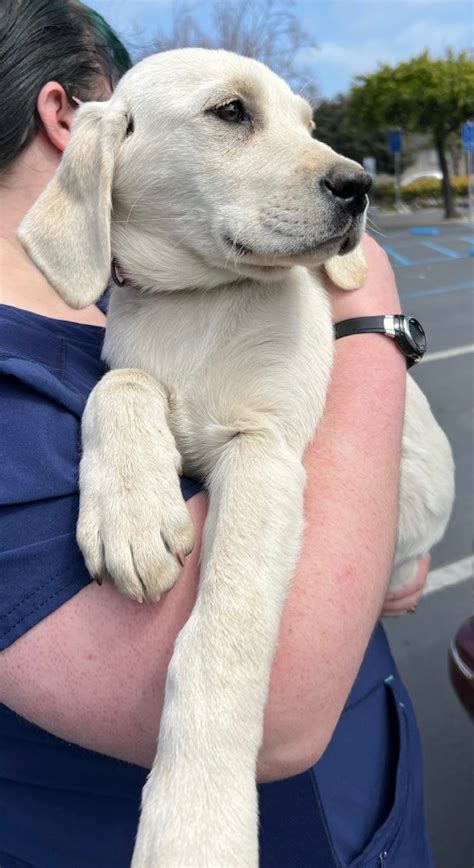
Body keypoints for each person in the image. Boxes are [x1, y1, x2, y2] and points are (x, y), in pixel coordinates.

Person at [0, 1, 433, 865]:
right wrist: (375, 324)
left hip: (376, 808)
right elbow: (286, 708)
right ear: (78, 126)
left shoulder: (111, 312)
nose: (342, 171)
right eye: (231, 116)